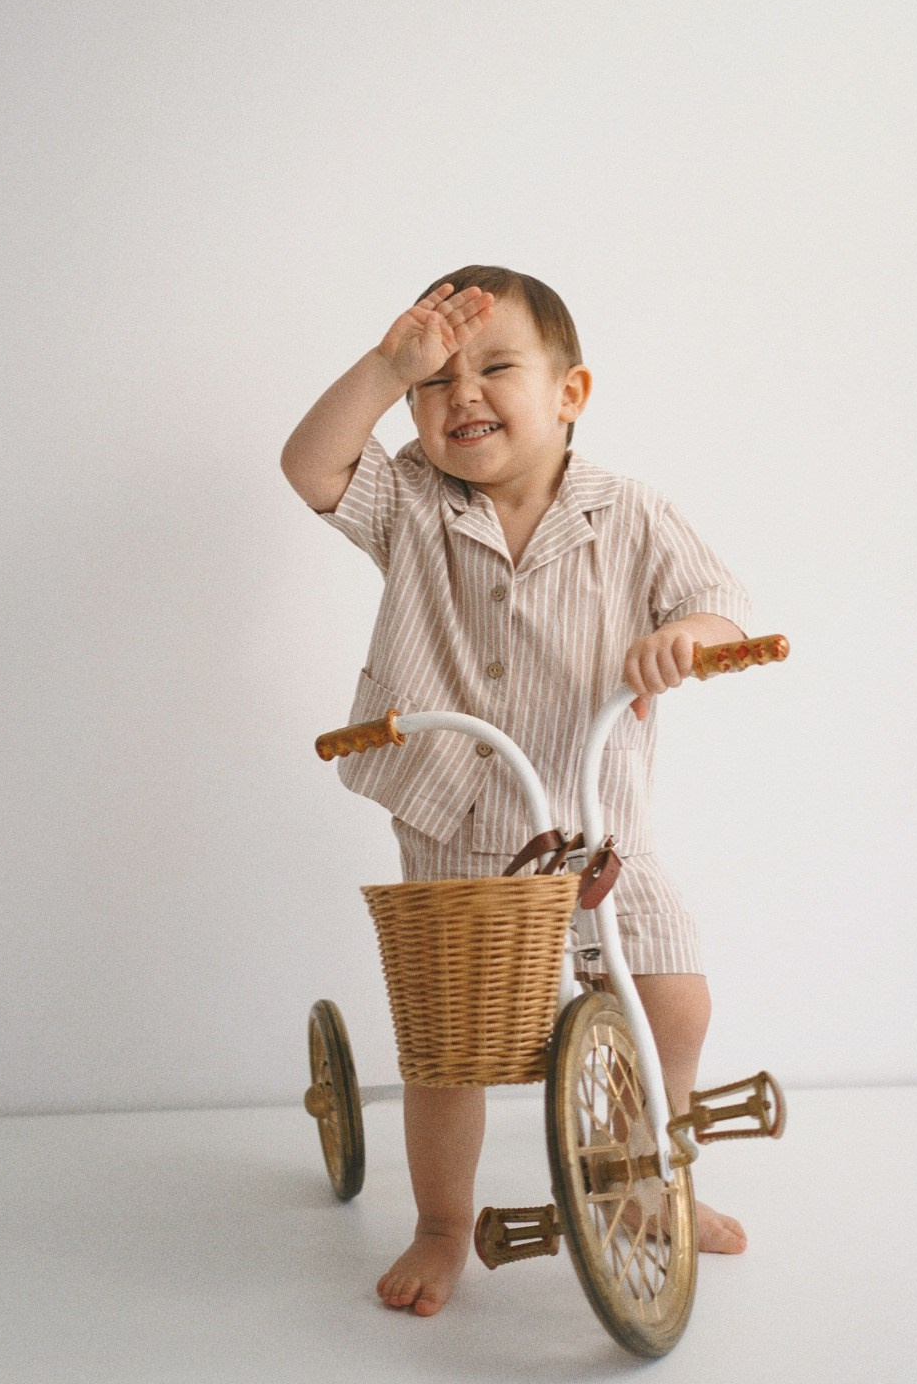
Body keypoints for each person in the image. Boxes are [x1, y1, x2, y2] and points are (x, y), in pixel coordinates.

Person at [281, 266, 752, 1318]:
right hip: (459, 817)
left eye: (495, 368)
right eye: (434, 380)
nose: (461, 396)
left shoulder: (629, 512)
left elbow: (721, 604)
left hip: (601, 826)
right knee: (453, 1047)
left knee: (673, 997)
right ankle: (443, 1222)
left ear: (570, 392)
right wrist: (380, 366)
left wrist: (689, 638)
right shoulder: (408, 497)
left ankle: (650, 1185)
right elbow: (310, 465)